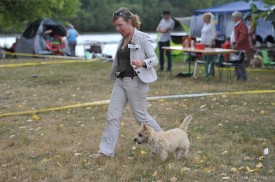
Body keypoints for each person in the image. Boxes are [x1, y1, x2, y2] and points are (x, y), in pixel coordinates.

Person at [91, 7, 162, 158]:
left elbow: (155, 59)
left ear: (129, 22)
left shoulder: (143, 37)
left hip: (136, 82)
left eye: (120, 25)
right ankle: (105, 151)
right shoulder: (122, 39)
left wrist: (142, 62)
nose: (118, 29)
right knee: (112, 115)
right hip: (120, 82)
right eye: (115, 26)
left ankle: (163, 141)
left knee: (141, 118)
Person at [232, 11, 250, 81]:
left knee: (241, 63)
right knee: (237, 62)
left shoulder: (242, 25)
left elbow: (243, 36)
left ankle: (243, 77)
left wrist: (237, 44)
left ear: (237, 17)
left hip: (242, 47)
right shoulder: (238, 25)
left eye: (233, 17)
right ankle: (238, 76)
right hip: (238, 46)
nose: (233, 19)